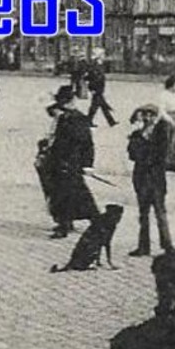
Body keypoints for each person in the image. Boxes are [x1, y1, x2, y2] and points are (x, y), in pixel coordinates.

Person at [45, 85, 101, 238]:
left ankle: (92, 220)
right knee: (60, 192)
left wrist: (88, 165)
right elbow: (51, 109)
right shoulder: (62, 115)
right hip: (57, 160)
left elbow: (87, 144)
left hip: (70, 162)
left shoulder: (77, 119)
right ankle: (66, 221)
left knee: (73, 192)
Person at [127, 105, 174, 257]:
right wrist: (140, 138)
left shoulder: (162, 132)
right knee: (143, 214)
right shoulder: (137, 134)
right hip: (141, 179)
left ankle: (167, 245)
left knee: (160, 213)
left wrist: (144, 149)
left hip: (156, 180)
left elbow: (161, 155)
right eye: (145, 116)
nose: (148, 119)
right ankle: (143, 246)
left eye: (151, 115)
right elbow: (132, 154)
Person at [85, 56, 117, 127]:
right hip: (97, 90)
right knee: (95, 107)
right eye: (100, 60)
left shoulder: (98, 68)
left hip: (99, 90)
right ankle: (88, 121)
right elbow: (93, 80)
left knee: (101, 106)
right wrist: (92, 89)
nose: (101, 61)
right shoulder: (95, 69)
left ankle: (111, 121)